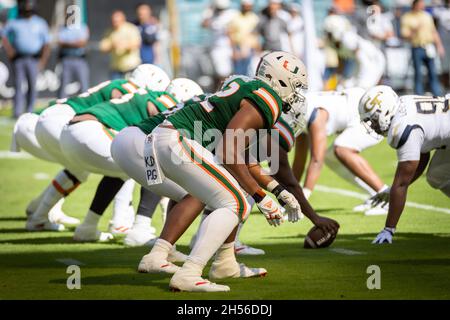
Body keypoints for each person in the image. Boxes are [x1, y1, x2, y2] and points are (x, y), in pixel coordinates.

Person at [112, 51, 311, 292]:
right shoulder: (267, 98)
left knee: (223, 194)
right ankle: (190, 272)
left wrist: (278, 191)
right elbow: (229, 151)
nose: (296, 94)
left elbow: (241, 157)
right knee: (236, 203)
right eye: (296, 85)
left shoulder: (247, 87)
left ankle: (223, 263)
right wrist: (259, 197)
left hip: (164, 139)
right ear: (279, 79)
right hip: (176, 139)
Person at [18, 64, 169, 232]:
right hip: (62, 120)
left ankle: (38, 212)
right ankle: (120, 221)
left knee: (78, 169)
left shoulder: (120, 84)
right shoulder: (130, 91)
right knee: (126, 162)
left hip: (46, 120)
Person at [59, 79, 202, 242]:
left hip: (72, 131)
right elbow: (159, 128)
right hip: (92, 130)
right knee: (154, 162)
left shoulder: (148, 94)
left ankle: (88, 227)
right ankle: (140, 228)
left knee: (123, 170)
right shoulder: (168, 100)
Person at [359, 86, 450, 244]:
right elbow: (422, 154)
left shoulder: (401, 128)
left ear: (386, 112)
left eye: (373, 120)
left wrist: (389, 228)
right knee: (436, 175)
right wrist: (392, 190)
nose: (372, 126)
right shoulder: (403, 103)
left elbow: (401, 184)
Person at [292, 88, 390, 215]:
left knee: (342, 148)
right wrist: (292, 195)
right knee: (330, 156)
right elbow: (299, 159)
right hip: (360, 108)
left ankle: (387, 198)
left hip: (370, 114)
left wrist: (303, 197)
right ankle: (378, 196)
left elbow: (316, 160)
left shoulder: (313, 114)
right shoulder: (299, 112)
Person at [2, 0, 50, 118]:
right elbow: (3, 35)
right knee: (18, 85)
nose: (28, 12)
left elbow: (46, 43)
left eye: (30, 10)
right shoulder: (15, 22)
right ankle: (17, 112)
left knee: (32, 86)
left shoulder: (40, 22)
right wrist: (9, 50)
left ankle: (30, 111)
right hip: (19, 58)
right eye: (26, 10)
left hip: (34, 59)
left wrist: (43, 61)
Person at [324, 14, 385, 89]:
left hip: (373, 60)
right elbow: (342, 60)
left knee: (362, 88)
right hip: (358, 62)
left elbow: (363, 60)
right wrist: (340, 78)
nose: (327, 35)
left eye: (329, 33)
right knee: (345, 87)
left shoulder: (347, 39)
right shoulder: (334, 42)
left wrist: (361, 79)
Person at [401, 0, 445, 96]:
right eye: (420, 4)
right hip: (417, 47)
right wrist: (415, 30)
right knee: (418, 74)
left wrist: (439, 45)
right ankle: (418, 95)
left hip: (429, 47)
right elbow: (404, 35)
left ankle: (438, 95)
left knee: (433, 72)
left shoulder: (427, 16)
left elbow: (433, 32)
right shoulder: (407, 17)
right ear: (415, 5)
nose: (422, 6)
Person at [202, 0, 238, 88]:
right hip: (216, 49)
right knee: (218, 73)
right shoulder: (212, 15)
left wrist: (234, 50)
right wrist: (209, 11)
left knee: (227, 73)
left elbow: (232, 34)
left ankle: (225, 90)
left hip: (226, 48)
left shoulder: (230, 15)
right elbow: (204, 24)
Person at [57, 7, 90, 98]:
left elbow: (82, 43)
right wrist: (75, 43)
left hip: (80, 59)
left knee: (84, 85)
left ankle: (85, 107)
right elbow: (60, 42)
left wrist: (68, 43)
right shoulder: (62, 28)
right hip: (66, 59)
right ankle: (60, 108)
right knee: (63, 85)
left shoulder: (82, 27)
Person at [100, 10, 142, 80]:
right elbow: (103, 47)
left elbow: (137, 44)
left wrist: (124, 45)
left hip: (131, 67)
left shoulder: (131, 29)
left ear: (123, 19)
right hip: (116, 69)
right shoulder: (109, 32)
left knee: (132, 89)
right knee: (115, 89)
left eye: (117, 21)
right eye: (113, 21)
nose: (115, 23)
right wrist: (113, 45)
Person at [227, 0, 259, 76]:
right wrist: (234, 50)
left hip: (250, 48)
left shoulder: (254, 18)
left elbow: (255, 35)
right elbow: (231, 33)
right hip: (238, 47)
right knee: (238, 73)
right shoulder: (236, 17)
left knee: (249, 73)